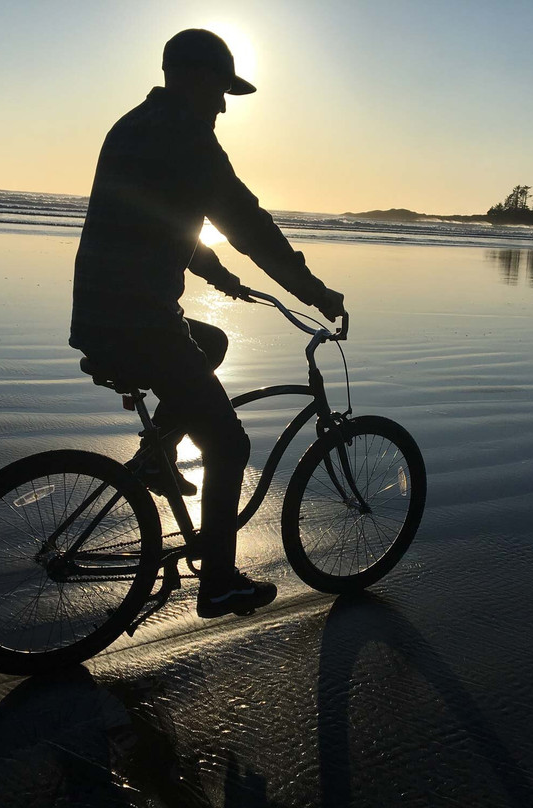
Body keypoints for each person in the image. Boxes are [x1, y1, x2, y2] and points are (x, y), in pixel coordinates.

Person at [69, 29, 345, 618]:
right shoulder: (188, 139)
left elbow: (163, 222)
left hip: (99, 315)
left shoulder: (132, 126)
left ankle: (153, 459)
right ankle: (219, 581)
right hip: (139, 322)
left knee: (212, 341)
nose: (223, 105)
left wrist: (220, 279)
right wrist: (315, 291)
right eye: (221, 90)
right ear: (194, 78)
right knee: (230, 441)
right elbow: (250, 226)